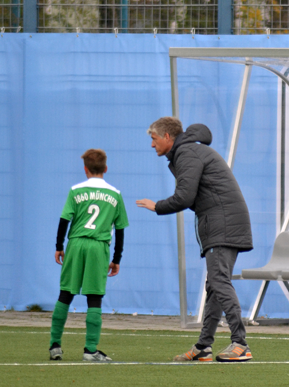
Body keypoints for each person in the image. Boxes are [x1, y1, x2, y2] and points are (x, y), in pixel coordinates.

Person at [136, 117, 253, 362]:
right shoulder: (190, 151)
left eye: (154, 139)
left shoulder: (187, 153)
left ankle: (240, 344)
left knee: (219, 281)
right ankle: (203, 348)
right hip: (223, 222)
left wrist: (157, 206)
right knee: (214, 286)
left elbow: (184, 197)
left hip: (222, 224)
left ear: (167, 137)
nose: (151, 144)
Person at [49, 149, 129, 362]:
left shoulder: (76, 190)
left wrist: (59, 246)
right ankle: (90, 350)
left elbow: (64, 220)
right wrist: (117, 259)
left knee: (65, 293)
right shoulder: (115, 194)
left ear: (85, 169)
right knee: (94, 298)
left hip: (75, 244)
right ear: (106, 168)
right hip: (98, 247)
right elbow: (120, 229)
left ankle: (54, 346)